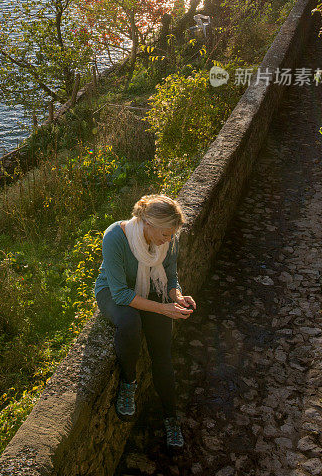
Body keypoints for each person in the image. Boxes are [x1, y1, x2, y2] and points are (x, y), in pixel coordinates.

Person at [94, 193, 196, 454]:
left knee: (162, 355)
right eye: (165, 234)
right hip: (114, 291)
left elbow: (170, 278)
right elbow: (121, 294)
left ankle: (171, 418)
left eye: (172, 234)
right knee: (129, 322)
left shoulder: (167, 239)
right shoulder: (116, 237)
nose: (169, 240)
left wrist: (178, 296)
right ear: (147, 224)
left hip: (151, 287)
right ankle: (129, 383)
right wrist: (163, 308)